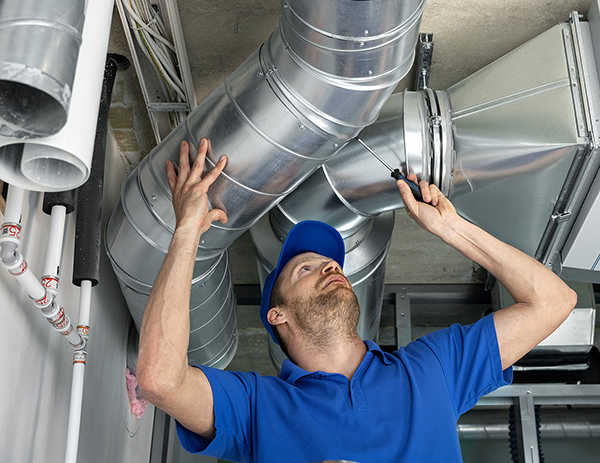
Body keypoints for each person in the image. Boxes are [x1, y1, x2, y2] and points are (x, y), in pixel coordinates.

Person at [137, 138, 577, 463]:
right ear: (278, 314)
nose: (331, 267)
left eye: (332, 266)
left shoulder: (432, 369)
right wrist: (187, 231)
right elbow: (159, 379)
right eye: (306, 269)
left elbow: (553, 300)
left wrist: (452, 229)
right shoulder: (256, 407)